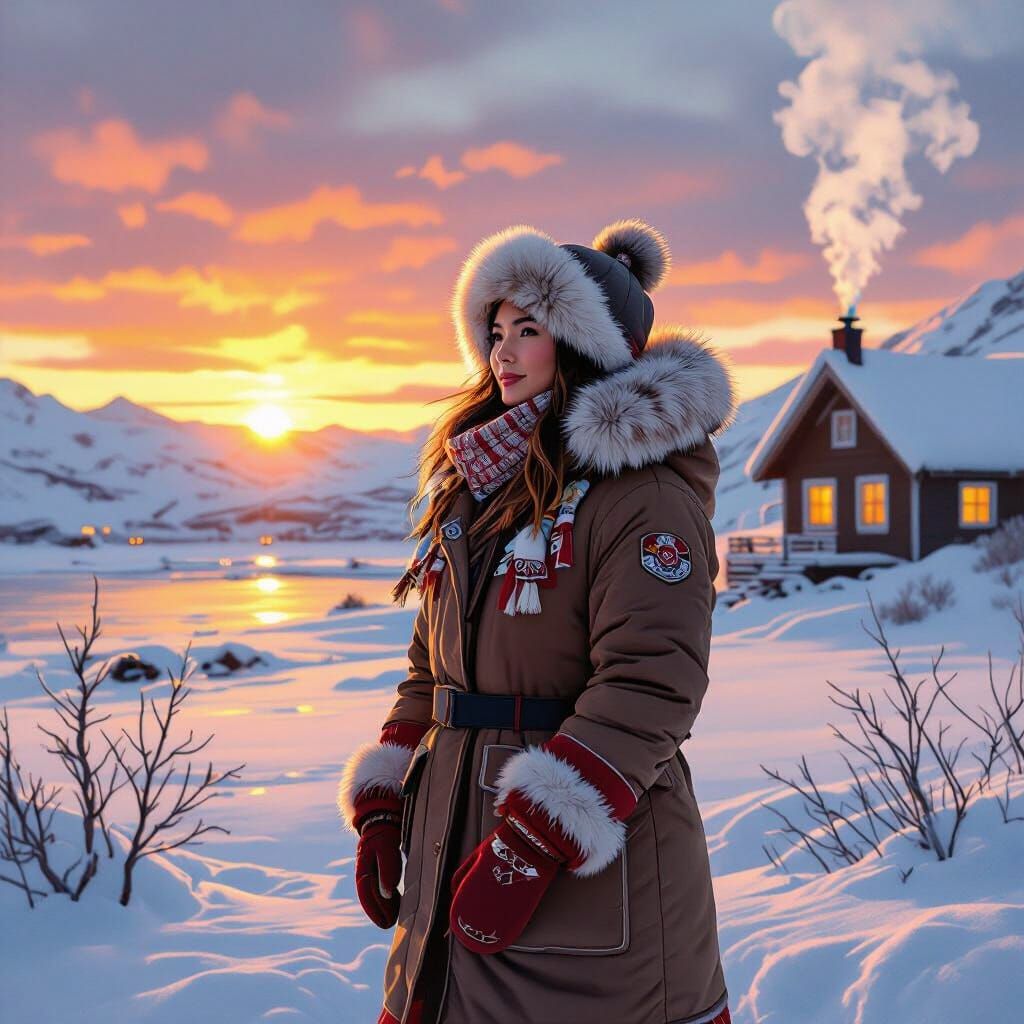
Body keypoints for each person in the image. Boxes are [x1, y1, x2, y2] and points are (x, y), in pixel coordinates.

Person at [337, 218, 737, 1024]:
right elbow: (433, 668)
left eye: (530, 329)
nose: (503, 352)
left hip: (590, 873)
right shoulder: (477, 490)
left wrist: (533, 839)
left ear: (584, 345)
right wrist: (387, 799)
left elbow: (652, 682)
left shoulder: (644, 499)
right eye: (495, 331)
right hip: (455, 835)